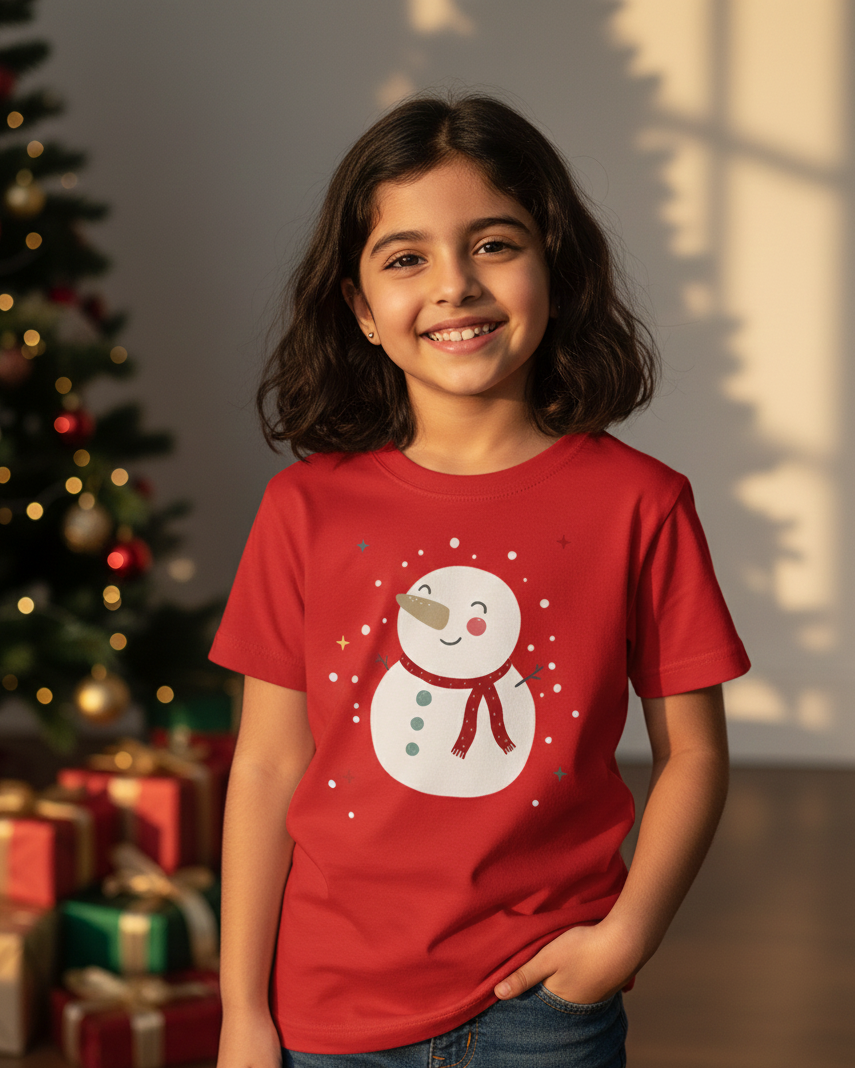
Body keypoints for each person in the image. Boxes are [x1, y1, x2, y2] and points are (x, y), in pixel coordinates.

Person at [209, 93, 750, 1068]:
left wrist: (624, 940)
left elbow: (696, 756)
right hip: (329, 1010)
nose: (454, 285)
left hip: (545, 1005)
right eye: (406, 257)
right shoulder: (304, 510)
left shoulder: (642, 505)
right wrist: (243, 1012)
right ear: (362, 310)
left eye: (493, 243)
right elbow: (265, 767)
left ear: (555, 268)